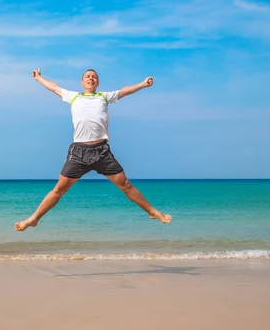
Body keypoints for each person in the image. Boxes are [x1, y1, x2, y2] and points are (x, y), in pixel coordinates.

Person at [14, 68, 172, 231]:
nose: (91, 78)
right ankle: (33, 219)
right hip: (79, 152)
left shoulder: (104, 97)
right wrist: (39, 78)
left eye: (94, 77)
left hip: (102, 151)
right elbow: (54, 87)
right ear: (82, 82)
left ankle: (152, 212)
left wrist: (143, 84)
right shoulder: (73, 96)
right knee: (59, 189)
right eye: (87, 76)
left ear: (98, 82)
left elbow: (125, 91)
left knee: (125, 184)